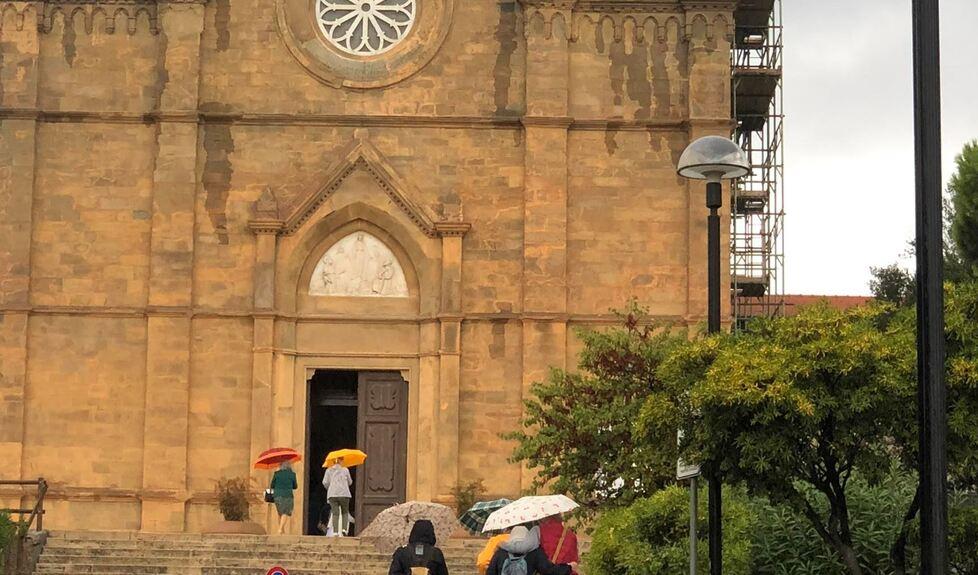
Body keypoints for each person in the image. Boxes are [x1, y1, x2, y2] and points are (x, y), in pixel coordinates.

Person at [486, 525, 574, 575]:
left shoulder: (500, 552)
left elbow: (490, 572)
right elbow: (549, 571)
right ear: (526, 536)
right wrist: (569, 567)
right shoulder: (534, 552)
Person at [322, 456, 353, 536]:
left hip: (332, 494)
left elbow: (325, 482)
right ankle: (344, 529)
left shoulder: (328, 470)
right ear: (341, 461)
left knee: (335, 513)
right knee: (345, 512)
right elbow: (350, 482)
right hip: (344, 494)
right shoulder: (345, 470)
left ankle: (335, 532)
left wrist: (330, 487)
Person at [269, 461, 298, 534]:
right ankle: (280, 529)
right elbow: (295, 486)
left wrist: (276, 473)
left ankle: (282, 531)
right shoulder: (292, 474)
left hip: (277, 495)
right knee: (286, 512)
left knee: (280, 513)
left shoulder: (277, 474)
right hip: (287, 495)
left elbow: (272, 485)